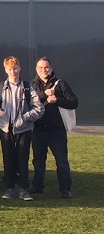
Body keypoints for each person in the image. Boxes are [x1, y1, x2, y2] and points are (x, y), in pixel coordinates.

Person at [0, 56, 44, 201]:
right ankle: (9, 189)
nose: (13, 71)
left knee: (23, 159)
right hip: (5, 129)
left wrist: (25, 117)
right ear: (5, 70)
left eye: (15, 68)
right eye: (9, 69)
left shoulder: (27, 87)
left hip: (24, 130)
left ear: (19, 68)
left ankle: (24, 190)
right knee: (8, 159)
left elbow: (39, 108)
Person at [31, 57, 78, 199]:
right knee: (38, 160)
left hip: (57, 130)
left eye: (46, 67)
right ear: (36, 69)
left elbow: (74, 102)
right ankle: (37, 186)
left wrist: (57, 100)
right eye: (40, 67)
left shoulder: (61, 84)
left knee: (61, 160)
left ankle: (65, 189)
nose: (43, 70)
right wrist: (44, 96)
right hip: (38, 129)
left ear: (51, 68)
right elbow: (28, 101)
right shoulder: (32, 85)